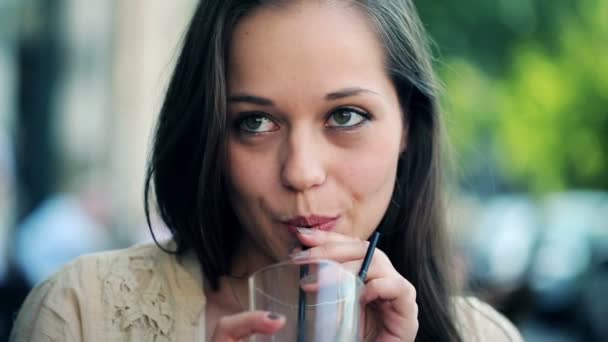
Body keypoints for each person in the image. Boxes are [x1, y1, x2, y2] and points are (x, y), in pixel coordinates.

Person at [10, 0, 523, 341]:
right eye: (255, 122)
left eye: (345, 116)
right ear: (210, 131)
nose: (301, 172)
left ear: (408, 125)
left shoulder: (483, 335)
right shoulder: (80, 313)